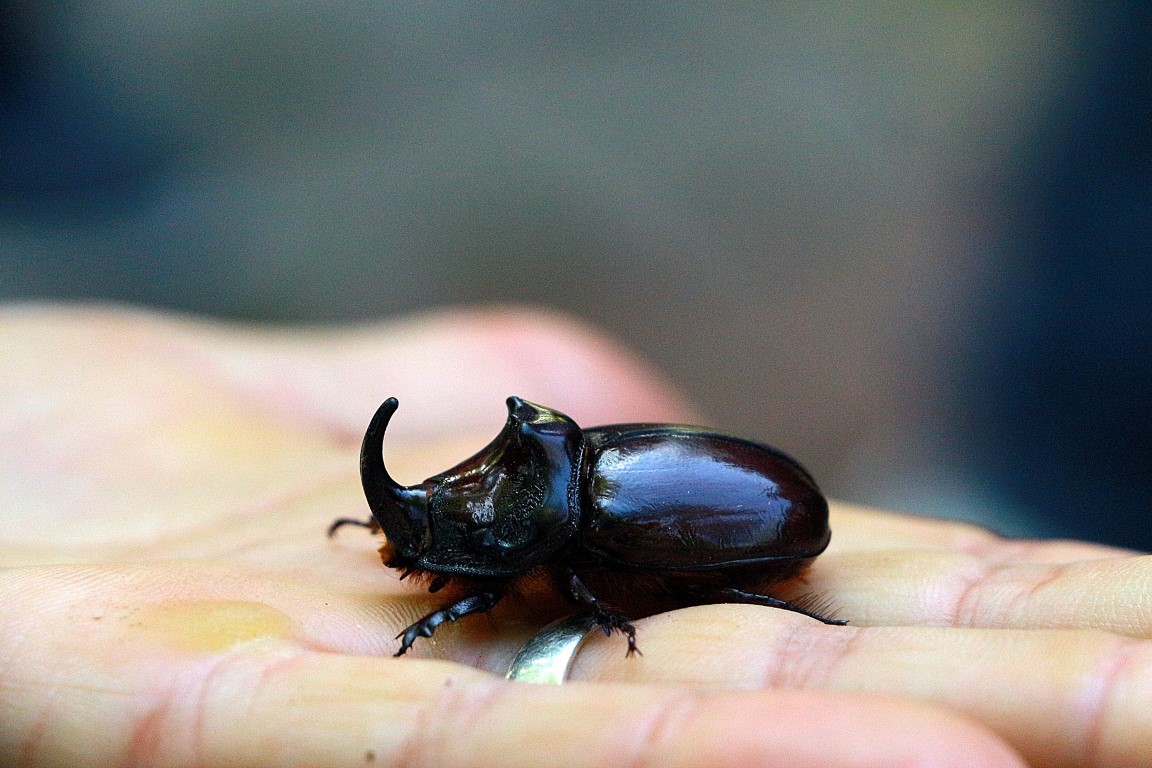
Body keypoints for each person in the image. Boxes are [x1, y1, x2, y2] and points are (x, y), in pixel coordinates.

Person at [1, 304, 1147, 768]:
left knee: (611, 585)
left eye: (439, 545)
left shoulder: (586, 521)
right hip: (761, 496)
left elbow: (549, 576)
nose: (421, 547)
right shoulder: (555, 475)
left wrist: (472, 602)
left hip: (769, 529)